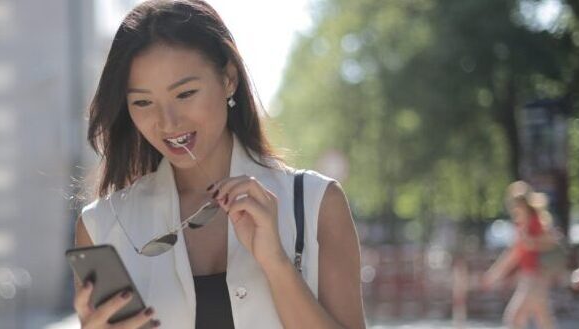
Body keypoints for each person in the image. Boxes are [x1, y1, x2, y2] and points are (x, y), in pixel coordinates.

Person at [71, 1, 366, 328]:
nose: (167, 122)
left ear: (228, 79)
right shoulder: (103, 226)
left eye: (185, 94)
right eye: (143, 102)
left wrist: (277, 264)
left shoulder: (316, 204)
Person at [482, 181, 557, 329]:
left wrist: (532, 242)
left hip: (535, 277)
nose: (513, 209)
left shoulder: (535, 222)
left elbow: (551, 240)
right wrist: (494, 274)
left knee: (515, 317)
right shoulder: (523, 226)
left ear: (523, 205)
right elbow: (514, 253)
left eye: (515, 205)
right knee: (542, 318)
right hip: (529, 277)